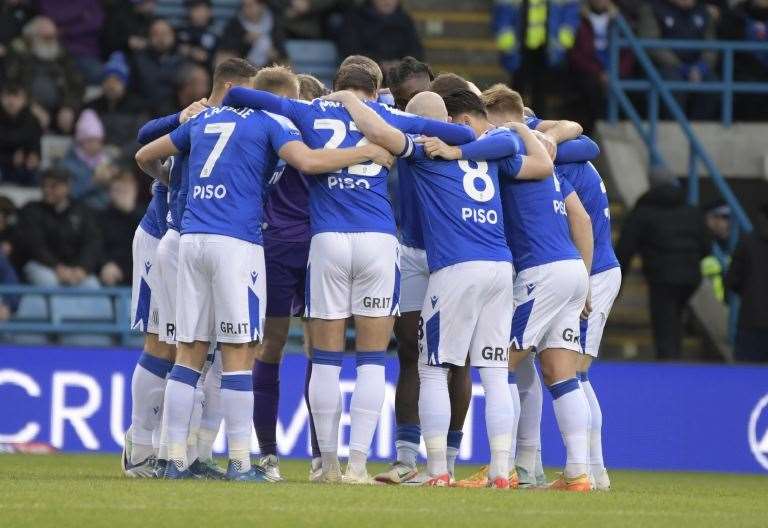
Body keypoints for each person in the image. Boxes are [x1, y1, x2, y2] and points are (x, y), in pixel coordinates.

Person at [135, 57, 394, 481]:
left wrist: (171, 183)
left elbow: (145, 152)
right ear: (281, 99)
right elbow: (309, 162)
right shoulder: (271, 123)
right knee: (238, 353)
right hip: (236, 243)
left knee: (190, 350)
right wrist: (365, 150)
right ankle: (240, 462)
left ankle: (172, 458)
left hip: (189, 238)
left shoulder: (207, 118)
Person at [222, 62, 475, 484]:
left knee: (326, 358)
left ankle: (330, 465)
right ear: (376, 92)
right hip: (378, 241)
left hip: (328, 242)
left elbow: (238, 95)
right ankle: (358, 465)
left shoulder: (308, 113)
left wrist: (325, 102)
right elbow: (463, 134)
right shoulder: (386, 118)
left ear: (335, 88)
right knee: (373, 359)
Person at [249, 67, 314, 482]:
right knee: (321, 351)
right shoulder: (327, 127)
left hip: (274, 244)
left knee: (269, 347)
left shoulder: (262, 127)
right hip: (319, 244)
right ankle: (323, 458)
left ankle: (268, 455)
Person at [616, 178, 710, 360]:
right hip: (690, 277)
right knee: (676, 316)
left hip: (662, 276)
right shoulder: (692, 211)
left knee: (664, 320)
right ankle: (675, 356)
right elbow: (707, 245)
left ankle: (669, 363)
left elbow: (625, 249)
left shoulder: (643, 213)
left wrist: (617, 281)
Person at [121, 173, 171, 478]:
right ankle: (139, 444)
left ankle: (175, 450)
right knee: (161, 345)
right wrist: (178, 120)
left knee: (197, 350)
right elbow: (145, 146)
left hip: (204, 239)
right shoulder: (190, 124)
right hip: (160, 235)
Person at [14, 168, 101, 288]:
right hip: (42, 265)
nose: (47, 190)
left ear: (67, 186)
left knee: (92, 285)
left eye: (53, 186)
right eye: (44, 185)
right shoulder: (32, 210)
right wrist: (56, 267)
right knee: (49, 281)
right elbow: (34, 245)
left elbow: (92, 242)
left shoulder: (82, 211)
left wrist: (83, 268)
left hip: (75, 268)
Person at [638, 0, 718, 119]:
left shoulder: (704, 11)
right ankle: (674, 129)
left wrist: (701, 67)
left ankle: (699, 129)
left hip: (697, 68)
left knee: (713, 85)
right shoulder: (652, 9)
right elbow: (651, 44)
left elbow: (711, 46)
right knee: (674, 84)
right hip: (664, 67)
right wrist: (680, 67)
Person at [6, 15, 84, 133]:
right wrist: (30, 106)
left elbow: (78, 86)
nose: (52, 41)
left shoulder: (63, 57)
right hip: (28, 110)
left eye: (54, 36)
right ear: (32, 38)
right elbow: (12, 85)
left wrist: (69, 107)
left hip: (60, 110)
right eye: (47, 37)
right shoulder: (20, 58)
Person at [568, 0, 634, 133]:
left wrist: (616, 72)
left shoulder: (620, 19)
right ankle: (592, 134)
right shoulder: (576, 17)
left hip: (615, 72)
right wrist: (598, 73)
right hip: (589, 72)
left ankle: (613, 132)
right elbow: (575, 53)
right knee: (590, 89)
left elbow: (629, 52)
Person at [725, 204, 768, 363]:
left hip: (752, 320)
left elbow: (732, 279)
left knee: (747, 376)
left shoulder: (747, 242)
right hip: (752, 321)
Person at [87, 52, 147, 153]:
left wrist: (121, 155)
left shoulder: (137, 107)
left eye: (116, 81)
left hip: (127, 160)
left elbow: (141, 139)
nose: (111, 86)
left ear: (124, 84)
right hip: (96, 157)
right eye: (108, 81)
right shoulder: (93, 106)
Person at [338, 0, 423, 71]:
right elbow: (350, 50)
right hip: (364, 74)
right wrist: (379, 63)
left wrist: (401, 64)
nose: (387, 1)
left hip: (400, 77)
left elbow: (416, 51)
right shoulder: (355, 18)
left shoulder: (405, 20)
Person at [56, 109, 113, 209]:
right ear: (81, 141)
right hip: (80, 212)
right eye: (91, 140)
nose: (95, 145)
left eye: (98, 140)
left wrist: (113, 179)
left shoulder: (106, 161)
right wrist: (94, 182)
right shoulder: (66, 165)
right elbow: (69, 194)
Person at [36, 0, 105, 83]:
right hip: (51, 52)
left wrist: (63, 30)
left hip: (83, 51)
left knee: (98, 75)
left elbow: (96, 22)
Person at [131, 18, 185, 115]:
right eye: (156, 34)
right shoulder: (138, 60)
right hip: (145, 114)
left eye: (165, 34)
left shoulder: (183, 60)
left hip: (177, 113)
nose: (161, 38)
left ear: (173, 36)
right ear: (149, 38)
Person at [98, 171, 142, 287]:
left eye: (126, 190)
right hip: (109, 274)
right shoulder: (101, 218)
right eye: (118, 190)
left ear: (135, 191)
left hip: (138, 272)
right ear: (110, 193)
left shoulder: (146, 217)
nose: (123, 194)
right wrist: (106, 264)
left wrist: (131, 212)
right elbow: (96, 246)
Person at [219, 0, 286, 68]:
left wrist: (272, 52)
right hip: (242, 65)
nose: (246, 9)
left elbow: (281, 51)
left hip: (269, 65)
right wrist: (246, 41)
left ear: (261, 6)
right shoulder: (235, 23)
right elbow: (226, 47)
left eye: (250, 6)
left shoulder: (274, 22)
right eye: (244, 6)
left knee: (285, 65)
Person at [0, 81, 42, 185]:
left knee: (38, 177)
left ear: (24, 99)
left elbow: (36, 145)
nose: (11, 101)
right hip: (2, 165)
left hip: (24, 167)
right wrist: (10, 159)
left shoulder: (32, 120)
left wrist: (34, 156)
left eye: (16, 96)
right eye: (7, 96)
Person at [177, 0, 219, 68]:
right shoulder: (181, 31)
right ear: (189, 11)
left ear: (210, 11)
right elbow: (181, 49)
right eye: (196, 9)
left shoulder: (216, 33)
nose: (200, 13)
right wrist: (192, 52)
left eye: (203, 9)